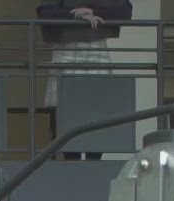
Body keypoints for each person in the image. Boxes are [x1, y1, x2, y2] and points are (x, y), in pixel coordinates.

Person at [36, 3, 134, 160]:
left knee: (98, 109)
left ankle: (93, 159)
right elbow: (45, 11)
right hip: (66, 49)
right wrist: (78, 15)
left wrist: (93, 10)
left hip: (97, 50)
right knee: (63, 108)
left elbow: (124, 11)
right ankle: (70, 158)